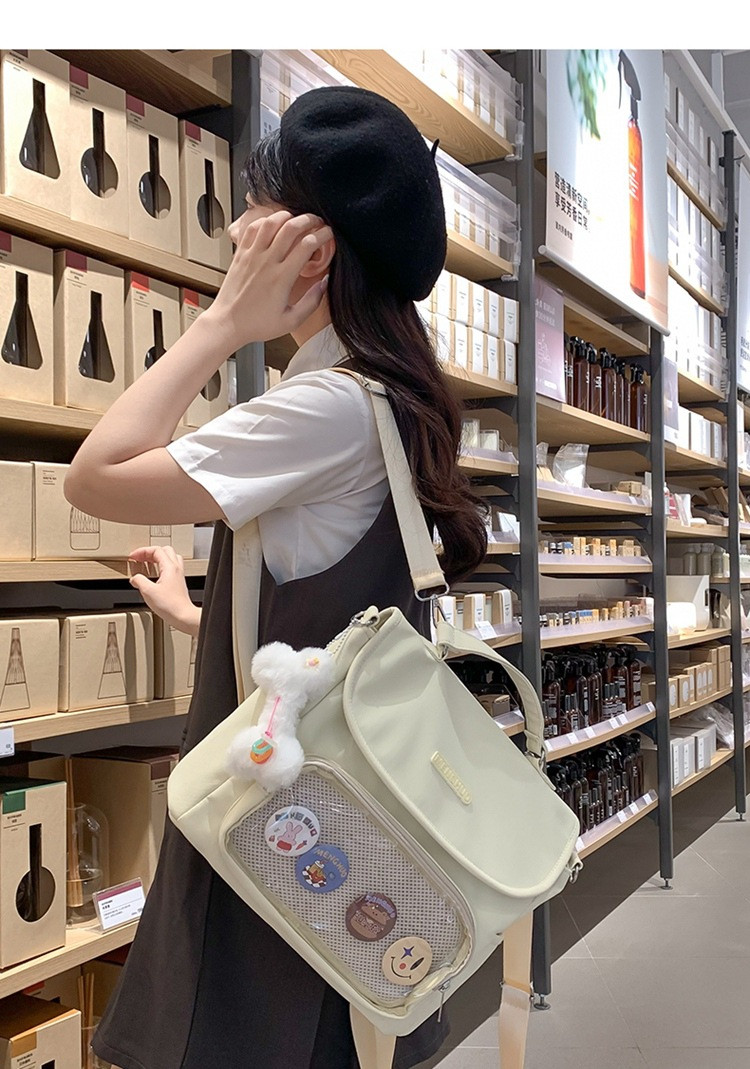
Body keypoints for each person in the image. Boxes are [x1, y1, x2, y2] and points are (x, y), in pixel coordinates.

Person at [66, 85, 487, 1069]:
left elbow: (95, 476)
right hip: (338, 826)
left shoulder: (326, 406)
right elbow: (335, 617)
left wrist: (219, 324)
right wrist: (193, 613)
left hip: (277, 832)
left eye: (259, 210)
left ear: (312, 248)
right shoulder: (383, 397)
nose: (236, 231)